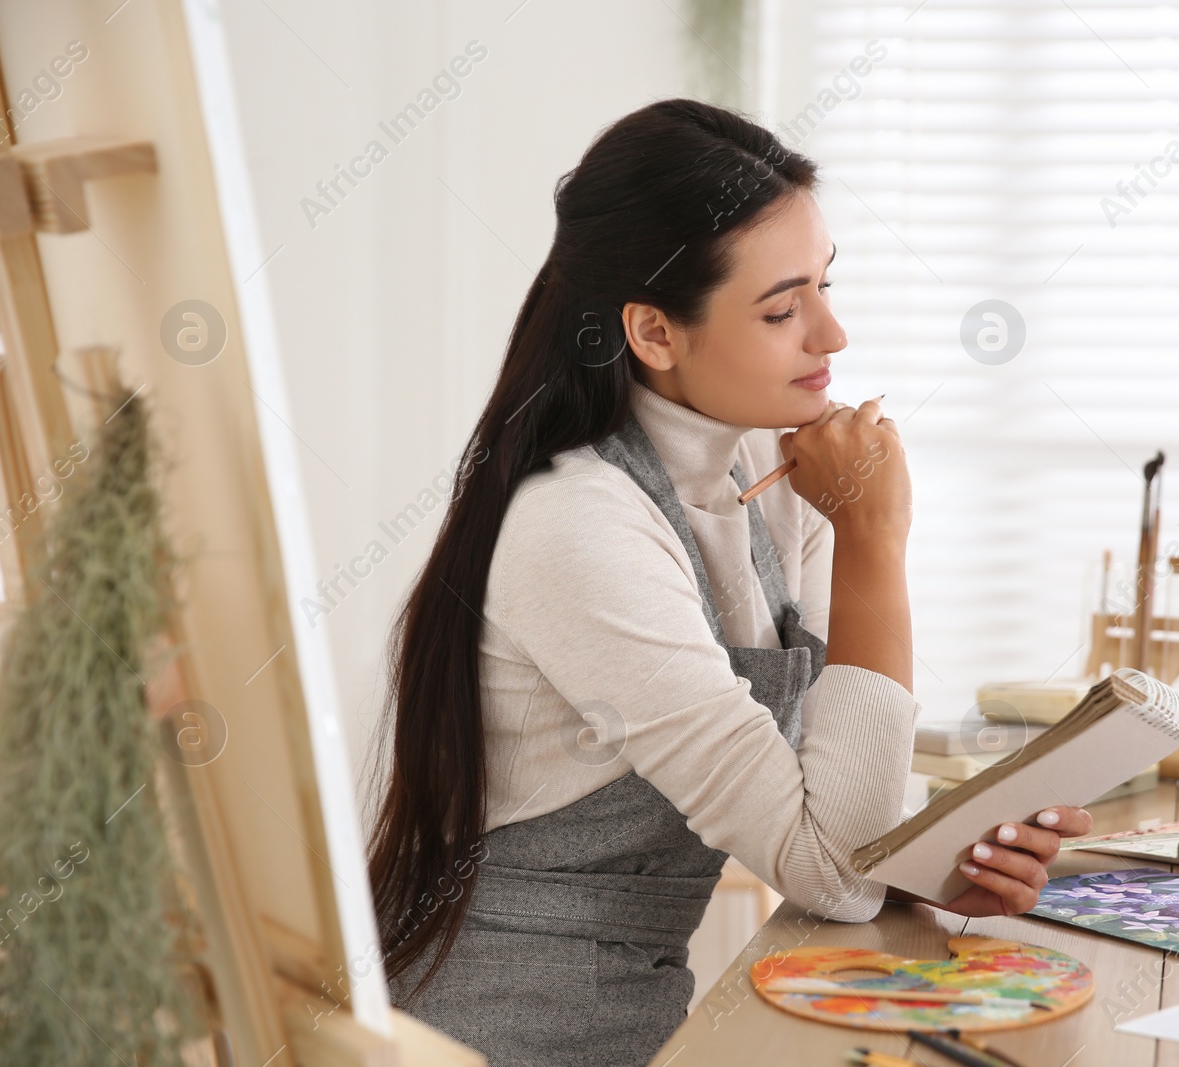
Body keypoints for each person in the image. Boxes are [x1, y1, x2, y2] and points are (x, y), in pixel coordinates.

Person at [366, 98, 1091, 1067]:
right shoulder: (579, 525)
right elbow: (830, 871)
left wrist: (929, 873)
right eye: (783, 307)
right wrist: (876, 537)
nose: (832, 334)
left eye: (826, 286)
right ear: (655, 334)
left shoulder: (781, 473)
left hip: (641, 1013)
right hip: (504, 1031)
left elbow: (838, 828)